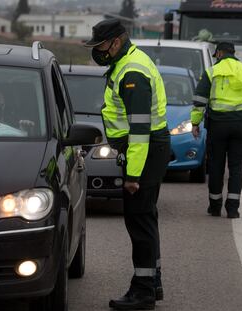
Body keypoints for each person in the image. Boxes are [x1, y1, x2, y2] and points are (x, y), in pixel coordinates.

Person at [84, 19, 171, 310]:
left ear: (116, 42)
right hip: (146, 150)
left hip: (143, 152)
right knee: (146, 218)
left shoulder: (133, 72)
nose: (98, 51)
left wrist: (133, 174)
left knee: (139, 220)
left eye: (100, 46)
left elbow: (140, 131)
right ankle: (153, 281)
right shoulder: (128, 63)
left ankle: (143, 290)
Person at [191, 42, 242, 218]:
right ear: (233, 53)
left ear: (219, 53)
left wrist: (195, 123)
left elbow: (199, 100)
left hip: (218, 125)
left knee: (216, 166)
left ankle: (215, 206)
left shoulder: (212, 72)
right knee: (236, 168)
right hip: (240, 126)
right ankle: (233, 209)